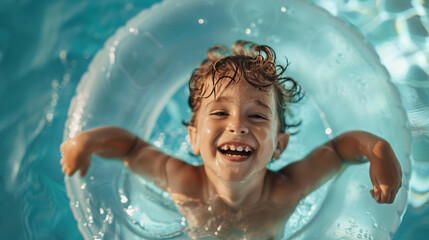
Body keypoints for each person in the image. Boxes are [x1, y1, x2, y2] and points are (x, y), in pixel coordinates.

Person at [60, 41, 402, 239]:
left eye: (256, 116)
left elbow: (341, 149)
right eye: (220, 113)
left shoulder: (286, 189)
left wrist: (378, 151)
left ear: (279, 146)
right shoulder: (184, 182)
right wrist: (87, 142)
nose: (237, 126)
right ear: (193, 138)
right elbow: (132, 147)